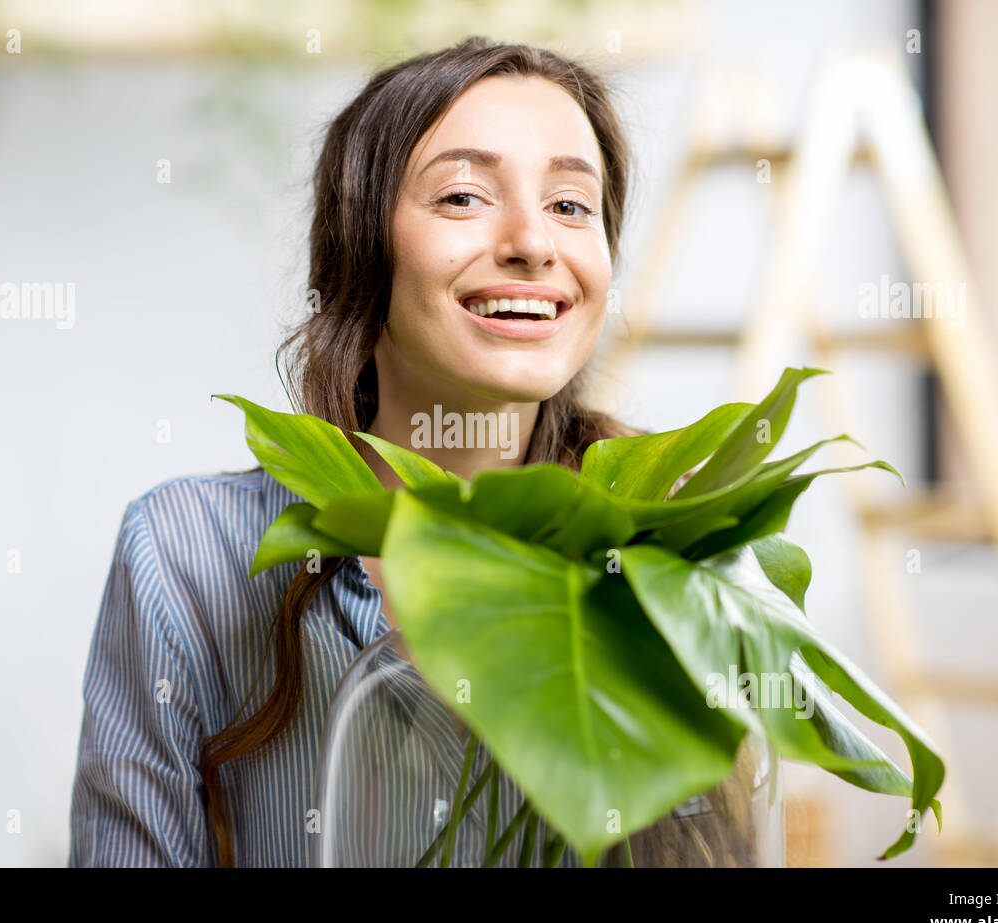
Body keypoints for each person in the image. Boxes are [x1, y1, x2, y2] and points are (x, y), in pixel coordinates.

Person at [67, 35, 640, 867]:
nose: (533, 243)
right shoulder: (188, 554)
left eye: (569, 205)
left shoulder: (668, 555)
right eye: (464, 197)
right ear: (360, 249)